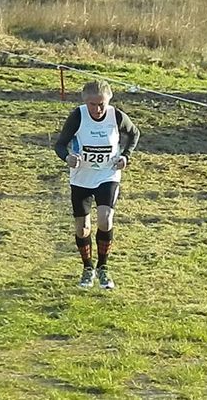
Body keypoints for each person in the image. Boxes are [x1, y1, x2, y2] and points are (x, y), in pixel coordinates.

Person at [55, 80, 140, 289]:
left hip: (107, 175)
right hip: (81, 178)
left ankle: (103, 268)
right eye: (93, 104)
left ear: (108, 101)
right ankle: (87, 268)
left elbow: (134, 134)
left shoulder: (116, 116)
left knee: (105, 219)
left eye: (101, 104)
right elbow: (59, 144)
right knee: (83, 228)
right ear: (85, 102)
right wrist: (67, 158)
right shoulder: (78, 116)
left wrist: (126, 157)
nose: (98, 109)